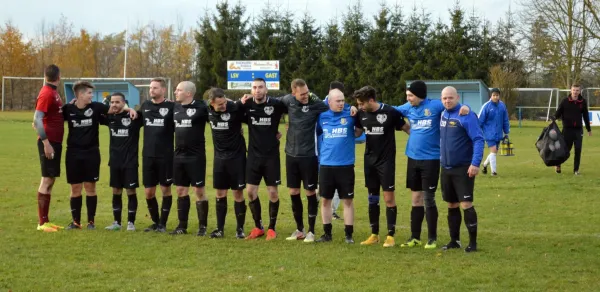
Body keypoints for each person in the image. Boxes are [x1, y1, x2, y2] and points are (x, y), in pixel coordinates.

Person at [393, 80, 470, 250]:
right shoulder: (407, 108)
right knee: (415, 198)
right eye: (407, 96)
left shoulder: (435, 106)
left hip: (431, 159)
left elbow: (453, 106)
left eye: (411, 96)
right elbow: (391, 110)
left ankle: (432, 238)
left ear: (420, 95)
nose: (408, 99)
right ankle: (415, 237)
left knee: (428, 198)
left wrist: (466, 107)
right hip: (412, 158)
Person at [62, 81, 136, 230]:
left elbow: (114, 108)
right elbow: (53, 119)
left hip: (91, 153)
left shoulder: (95, 107)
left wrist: (130, 108)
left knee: (90, 187)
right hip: (73, 154)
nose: (91, 95)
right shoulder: (67, 109)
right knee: (75, 188)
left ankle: (91, 222)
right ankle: (76, 222)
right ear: (80, 94)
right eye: (89, 93)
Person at [353, 86, 409, 247]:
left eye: (362, 103)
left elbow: (407, 128)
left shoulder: (390, 112)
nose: (360, 107)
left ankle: (390, 236)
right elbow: (356, 132)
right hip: (369, 161)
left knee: (389, 198)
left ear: (371, 100)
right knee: (372, 198)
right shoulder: (360, 114)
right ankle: (374, 234)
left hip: (386, 162)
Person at [280, 79, 330, 243]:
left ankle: (311, 231)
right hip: (291, 155)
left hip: (309, 155)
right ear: (293, 92)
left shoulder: (315, 103)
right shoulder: (288, 101)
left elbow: (328, 107)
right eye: (302, 94)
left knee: (310, 192)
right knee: (293, 192)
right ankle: (299, 229)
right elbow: (273, 105)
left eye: (307, 92)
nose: (305, 96)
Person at [238, 78, 286, 240]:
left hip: (271, 156)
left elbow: (297, 108)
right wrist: (239, 102)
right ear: (251, 90)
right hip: (253, 155)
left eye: (260, 87)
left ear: (266, 89)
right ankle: (258, 227)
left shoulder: (277, 104)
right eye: (254, 87)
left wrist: (287, 130)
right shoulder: (247, 105)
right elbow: (227, 109)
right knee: (250, 192)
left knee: (273, 192)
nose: (257, 90)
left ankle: (272, 228)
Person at [439, 86, 484, 253]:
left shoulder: (466, 115)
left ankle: (473, 243)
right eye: (444, 98)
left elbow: (479, 139)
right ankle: (454, 240)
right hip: (446, 167)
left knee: (466, 203)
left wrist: (475, 163)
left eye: (450, 98)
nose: (447, 101)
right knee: (451, 204)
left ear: (457, 97)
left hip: (463, 168)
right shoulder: (442, 113)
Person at [315, 89, 360, 244]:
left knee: (347, 201)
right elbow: (319, 133)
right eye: (338, 101)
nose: (341, 103)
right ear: (329, 102)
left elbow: (359, 132)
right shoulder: (322, 117)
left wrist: (355, 110)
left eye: (343, 100)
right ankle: (327, 234)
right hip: (326, 165)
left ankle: (349, 234)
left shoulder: (352, 115)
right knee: (325, 200)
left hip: (345, 165)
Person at [169, 81, 210, 235]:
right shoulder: (175, 107)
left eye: (178, 90)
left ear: (188, 93)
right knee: (180, 190)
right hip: (179, 156)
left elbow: (220, 110)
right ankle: (182, 226)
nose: (175, 92)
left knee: (199, 191)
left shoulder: (201, 107)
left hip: (196, 156)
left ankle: (202, 227)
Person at [207, 87, 248, 239]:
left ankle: (240, 229)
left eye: (224, 102)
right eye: (220, 104)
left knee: (238, 192)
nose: (223, 106)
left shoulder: (235, 107)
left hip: (237, 157)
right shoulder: (207, 111)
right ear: (212, 104)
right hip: (219, 159)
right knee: (220, 193)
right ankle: (220, 229)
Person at [139, 78, 175, 233]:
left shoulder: (172, 106)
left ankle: (163, 224)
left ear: (163, 90)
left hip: (165, 155)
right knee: (148, 192)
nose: (151, 90)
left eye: (155, 88)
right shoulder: (145, 106)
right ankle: (155, 222)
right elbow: (135, 121)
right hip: (148, 155)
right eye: (150, 87)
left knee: (165, 189)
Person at [32, 64, 64, 232]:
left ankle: (46, 221)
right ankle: (42, 223)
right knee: (46, 179)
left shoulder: (52, 92)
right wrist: (46, 143)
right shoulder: (46, 93)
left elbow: (38, 118)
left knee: (50, 179)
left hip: (54, 141)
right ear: (58, 77)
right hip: (49, 142)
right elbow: (37, 119)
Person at [104, 92, 142, 231]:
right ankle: (117, 223)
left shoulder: (134, 117)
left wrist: (130, 110)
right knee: (116, 190)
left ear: (124, 102)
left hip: (130, 161)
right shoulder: (110, 118)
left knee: (130, 191)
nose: (114, 104)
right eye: (112, 102)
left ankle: (131, 223)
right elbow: (98, 111)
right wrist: (126, 108)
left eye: (117, 102)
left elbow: (143, 113)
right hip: (114, 161)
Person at [553, 84, 592, 175]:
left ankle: (576, 170)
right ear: (571, 91)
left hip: (578, 130)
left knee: (578, 150)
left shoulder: (583, 102)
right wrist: (553, 118)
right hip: (567, 130)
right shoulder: (565, 101)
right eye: (574, 90)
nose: (575, 92)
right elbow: (558, 112)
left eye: (577, 90)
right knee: (565, 150)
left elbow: (585, 116)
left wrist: (588, 129)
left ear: (579, 91)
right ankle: (558, 164)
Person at [478, 88, 510, 176]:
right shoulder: (486, 106)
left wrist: (506, 130)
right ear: (491, 96)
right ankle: (494, 172)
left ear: (499, 96)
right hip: (488, 133)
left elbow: (505, 119)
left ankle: (484, 165)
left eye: (497, 95)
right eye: (494, 95)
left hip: (499, 133)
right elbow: (480, 120)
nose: (495, 97)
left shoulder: (502, 106)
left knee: (494, 152)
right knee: (493, 150)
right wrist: (477, 131)